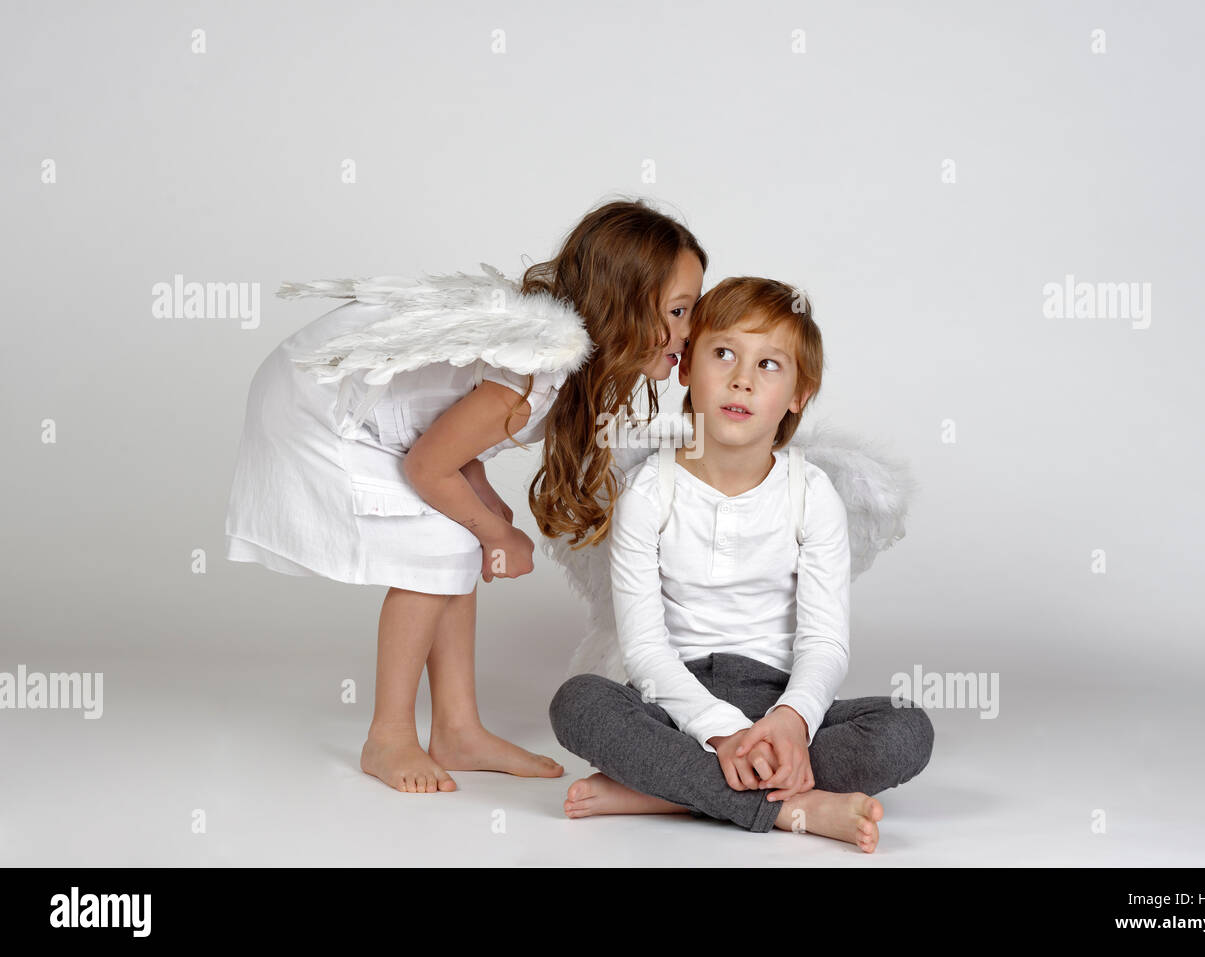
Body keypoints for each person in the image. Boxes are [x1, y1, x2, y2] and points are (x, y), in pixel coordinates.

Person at [224, 198, 706, 793]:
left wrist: (483, 502)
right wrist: (496, 532)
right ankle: (388, 735)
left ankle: (456, 730)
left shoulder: (559, 353)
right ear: (623, 303)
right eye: (679, 311)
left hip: (377, 417)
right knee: (434, 550)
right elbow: (429, 463)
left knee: (454, 539)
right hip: (318, 407)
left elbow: (446, 425)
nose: (688, 332)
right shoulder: (532, 370)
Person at [549, 277, 934, 852]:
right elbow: (647, 652)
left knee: (907, 729)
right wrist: (720, 731)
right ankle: (789, 810)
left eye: (770, 365)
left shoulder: (813, 493)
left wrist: (792, 722)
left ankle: (667, 791)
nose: (742, 379)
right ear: (686, 370)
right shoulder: (649, 491)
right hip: (674, 707)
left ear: (800, 394)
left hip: (777, 700)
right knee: (578, 703)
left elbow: (825, 644)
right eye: (723, 353)